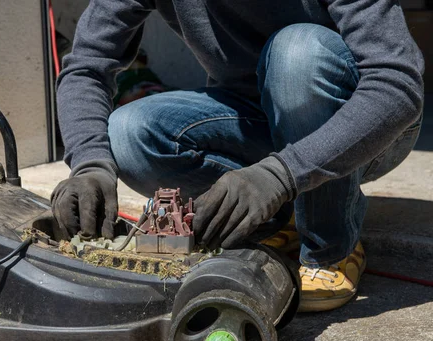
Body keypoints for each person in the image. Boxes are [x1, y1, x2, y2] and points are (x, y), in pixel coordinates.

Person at [50, 1, 425, 312]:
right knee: (128, 132)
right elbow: (87, 65)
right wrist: (90, 163)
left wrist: (281, 174)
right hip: (252, 112)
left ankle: (330, 243)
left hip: (358, 123)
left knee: (297, 53)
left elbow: (397, 85)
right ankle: (279, 215)